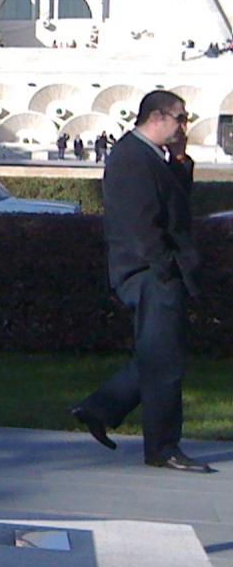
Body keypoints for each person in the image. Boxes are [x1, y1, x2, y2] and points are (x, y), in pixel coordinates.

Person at [70, 90, 211, 472]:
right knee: (165, 362)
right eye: (181, 118)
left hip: (156, 270)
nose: (185, 126)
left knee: (160, 353)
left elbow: (178, 205)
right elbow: (141, 224)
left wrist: (180, 159)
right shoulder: (131, 157)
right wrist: (165, 268)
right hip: (148, 271)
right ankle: (163, 448)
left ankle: (100, 408)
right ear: (157, 117)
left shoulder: (152, 156)